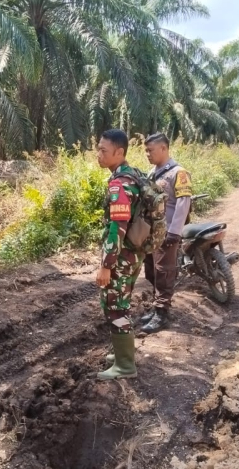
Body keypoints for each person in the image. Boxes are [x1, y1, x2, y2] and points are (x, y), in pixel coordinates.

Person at [95, 128, 146, 380]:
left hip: (121, 257)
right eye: (98, 148)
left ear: (119, 152)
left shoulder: (120, 184)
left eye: (103, 150)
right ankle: (120, 355)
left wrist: (106, 265)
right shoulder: (133, 175)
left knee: (116, 306)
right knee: (119, 302)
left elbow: (118, 227)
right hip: (134, 253)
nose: (99, 154)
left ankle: (125, 366)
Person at [140, 132, 192, 333]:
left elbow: (183, 202)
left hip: (167, 233)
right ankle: (156, 309)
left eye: (150, 150)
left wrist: (175, 232)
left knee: (164, 272)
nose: (147, 154)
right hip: (151, 234)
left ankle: (162, 314)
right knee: (152, 272)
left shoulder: (178, 173)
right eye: (145, 150)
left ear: (163, 148)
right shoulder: (152, 172)